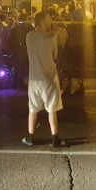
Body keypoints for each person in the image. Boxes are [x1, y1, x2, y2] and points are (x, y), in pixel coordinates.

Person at [22, 12, 66, 148]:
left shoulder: (29, 36)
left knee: (33, 109)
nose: (51, 20)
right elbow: (55, 56)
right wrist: (58, 34)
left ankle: (30, 137)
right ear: (42, 22)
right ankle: (55, 139)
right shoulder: (52, 37)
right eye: (49, 18)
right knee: (51, 108)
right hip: (48, 78)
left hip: (34, 78)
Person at [9, 13, 32, 90]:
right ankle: (20, 84)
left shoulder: (15, 28)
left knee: (17, 67)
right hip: (24, 49)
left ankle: (14, 84)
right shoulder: (27, 27)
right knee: (22, 68)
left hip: (16, 50)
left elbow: (10, 39)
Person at [65, 9, 85, 92]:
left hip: (71, 46)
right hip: (80, 45)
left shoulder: (71, 24)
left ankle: (70, 80)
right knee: (80, 64)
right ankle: (80, 79)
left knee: (71, 64)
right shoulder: (82, 25)